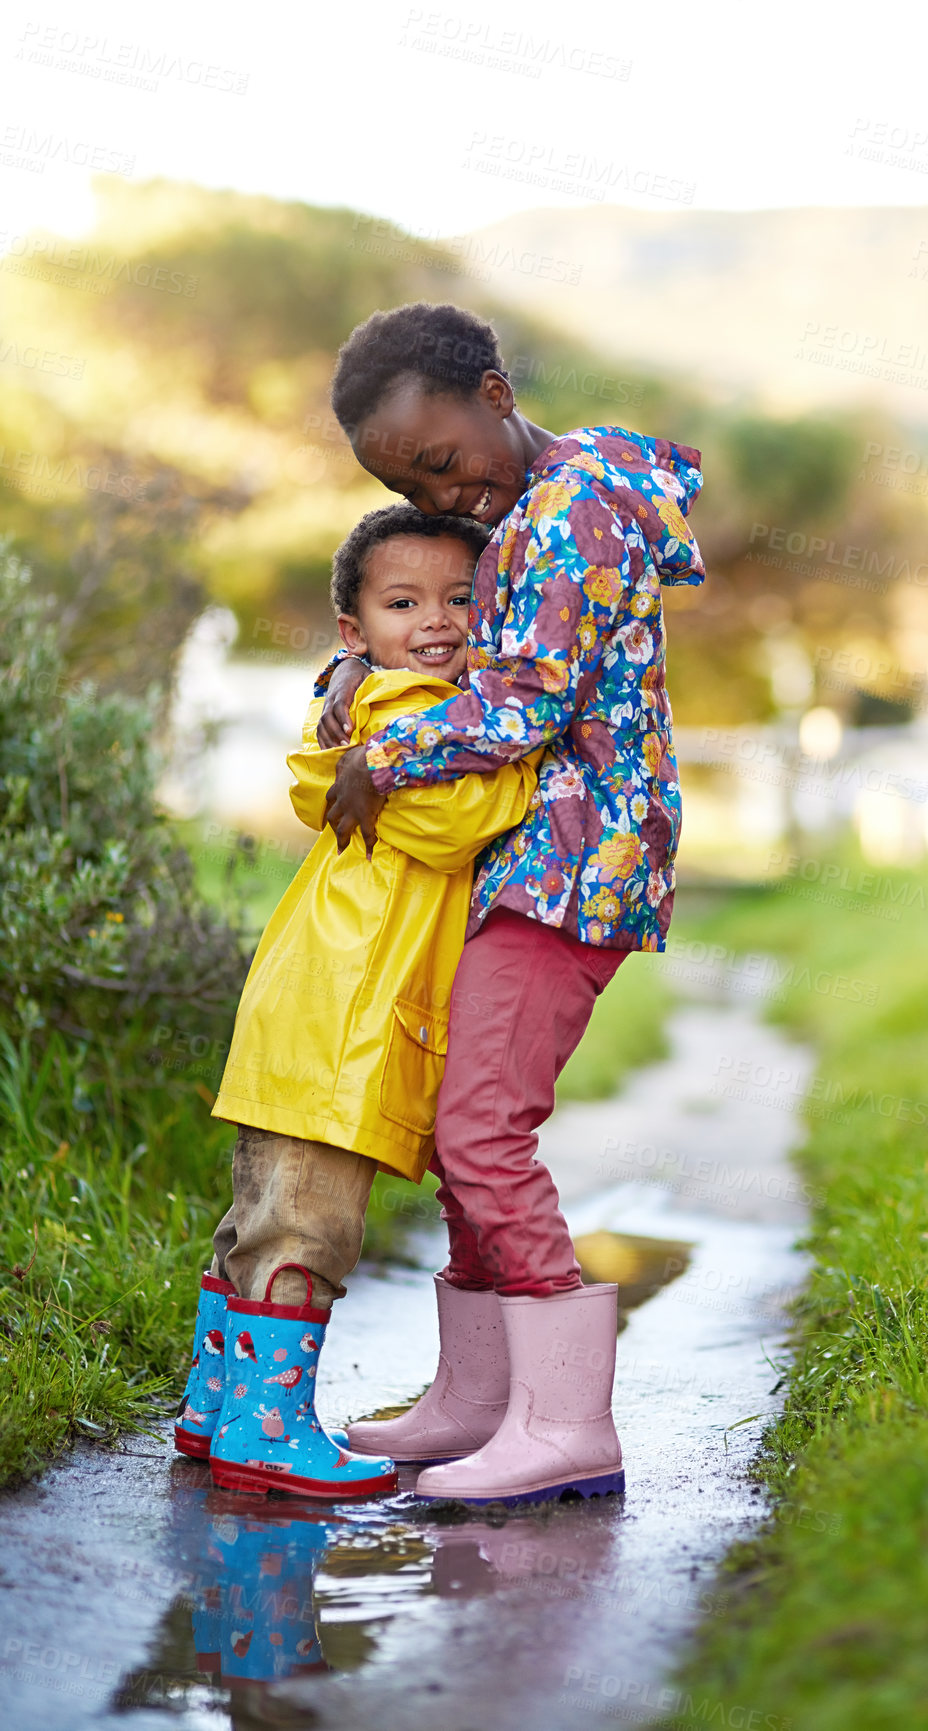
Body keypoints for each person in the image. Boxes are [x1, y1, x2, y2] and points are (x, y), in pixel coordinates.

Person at [318, 302, 706, 1506]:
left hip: (573, 861)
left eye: (443, 465)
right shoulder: (545, 495)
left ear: (494, 394)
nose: (444, 500)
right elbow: (441, 632)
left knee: (480, 1132)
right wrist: (352, 666)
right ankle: (481, 1401)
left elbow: (521, 701)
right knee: (458, 1130)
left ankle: (566, 1422)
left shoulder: (567, 512)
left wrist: (380, 760)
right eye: (408, 487)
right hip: (536, 855)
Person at [175, 505, 539, 1499]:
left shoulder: (370, 701)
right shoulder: (409, 713)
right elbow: (450, 821)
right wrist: (524, 770)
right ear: (355, 631)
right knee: (309, 1232)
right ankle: (268, 1434)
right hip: (343, 1024)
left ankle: (218, 1412)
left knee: (258, 1220)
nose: (439, 620)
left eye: (462, 598)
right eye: (403, 601)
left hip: (309, 1012)